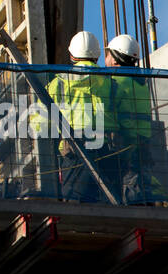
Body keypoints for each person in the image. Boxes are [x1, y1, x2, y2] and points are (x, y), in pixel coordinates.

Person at [46, 31, 121, 203]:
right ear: (97, 56)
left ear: (72, 55)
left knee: (75, 205)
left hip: (73, 151)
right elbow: (121, 116)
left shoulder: (58, 84)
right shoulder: (110, 81)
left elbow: (40, 122)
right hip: (107, 148)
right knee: (111, 205)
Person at [105, 33, 160, 204]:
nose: (105, 59)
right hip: (142, 143)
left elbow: (108, 112)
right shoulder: (140, 83)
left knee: (126, 189)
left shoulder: (115, 83)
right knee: (141, 185)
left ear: (115, 59)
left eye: (107, 54)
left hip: (124, 144)